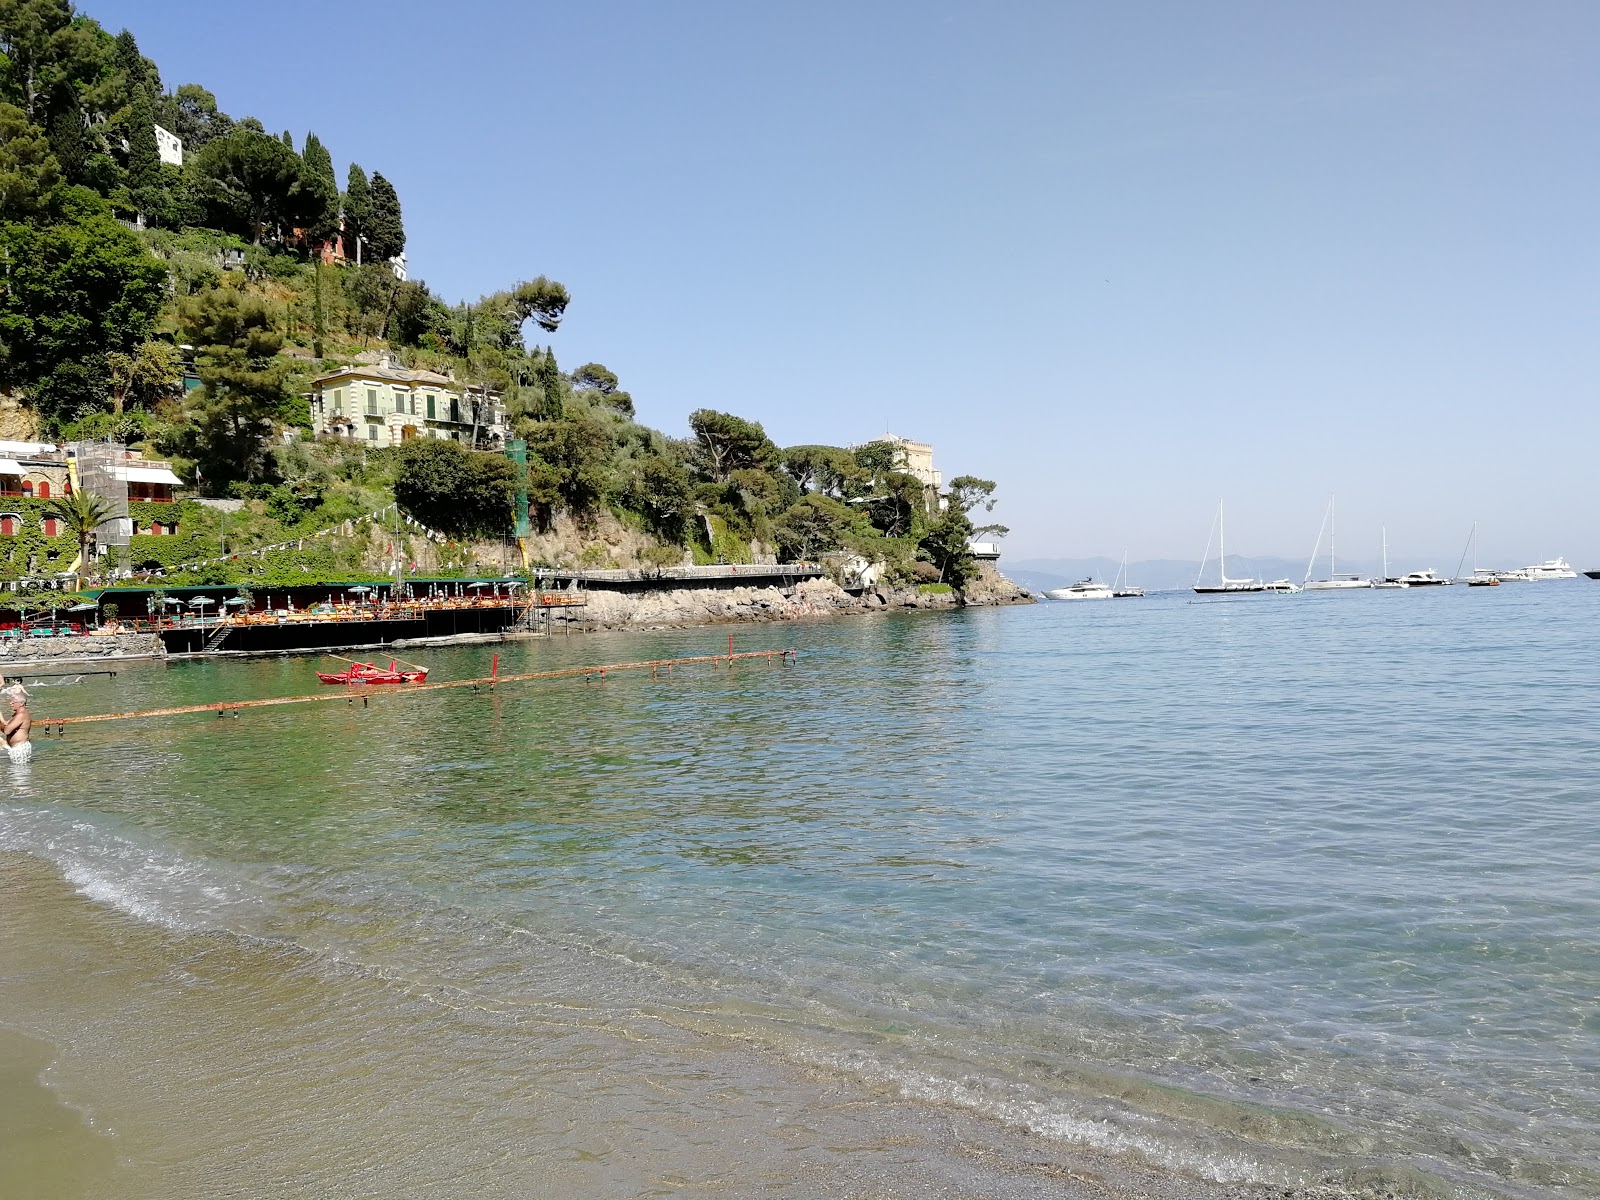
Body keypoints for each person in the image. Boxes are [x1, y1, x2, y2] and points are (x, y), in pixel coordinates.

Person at [3, 685, 31, 763]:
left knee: (19, 773)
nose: (11, 704)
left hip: (20, 749)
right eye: (10, 702)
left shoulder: (21, 715)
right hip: (16, 748)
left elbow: (7, 730)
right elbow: (6, 724)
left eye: (13, 702)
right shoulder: (16, 714)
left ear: (21, 703)